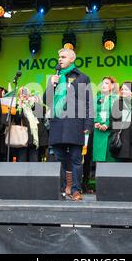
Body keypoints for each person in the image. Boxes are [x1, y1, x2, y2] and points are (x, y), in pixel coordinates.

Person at [46, 48, 93, 201]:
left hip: (75, 123)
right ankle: (59, 190)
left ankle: (76, 190)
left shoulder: (82, 78)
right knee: (58, 158)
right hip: (57, 123)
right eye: (59, 57)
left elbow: (88, 103)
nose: (60, 59)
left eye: (63, 57)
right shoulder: (55, 77)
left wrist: (88, 124)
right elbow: (46, 100)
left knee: (76, 158)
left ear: (72, 59)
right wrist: (50, 85)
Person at [8, 87, 47, 162]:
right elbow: (17, 118)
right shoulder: (16, 107)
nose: (24, 95)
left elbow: (42, 114)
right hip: (22, 139)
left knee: (34, 160)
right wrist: (20, 105)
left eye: (26, 93)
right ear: (19, 96)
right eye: (22, 93)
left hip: (34, 139)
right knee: (22, 160)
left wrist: (36, 102)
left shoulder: (34, 106)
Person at [110, 81, 132, 162]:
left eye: (126, 89)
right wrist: (116, 133)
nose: (123, 91)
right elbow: (112, 120)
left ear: (131, 92)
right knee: (121, 166)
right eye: (122, 89)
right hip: (121, 140)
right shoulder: (117, 103)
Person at [93, 76, 119, 163]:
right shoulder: (96, 98)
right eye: (102, 83)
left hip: (111, 131)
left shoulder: (116, 99)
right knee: (99, 156)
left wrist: (107, 124)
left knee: (109, 157)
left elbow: (116, 115)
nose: (103, 85)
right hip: (98, 131)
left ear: (112, 86)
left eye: (106, 83)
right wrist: (96, 122)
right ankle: (98, 174)